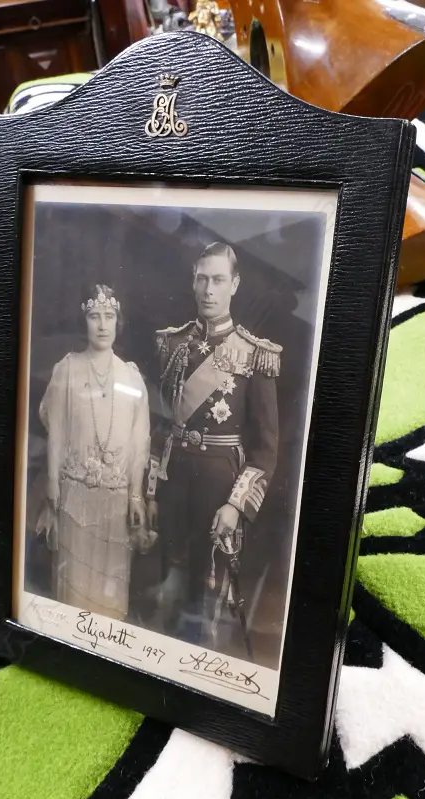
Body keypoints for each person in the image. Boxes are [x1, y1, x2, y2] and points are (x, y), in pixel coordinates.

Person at [146, 242, 282, 654]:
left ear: (234, 285)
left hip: (219, 491)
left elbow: (266, 449)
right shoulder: (172, 345)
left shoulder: (256, 356)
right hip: (173, 485)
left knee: (204, 596)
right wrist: (149, 491)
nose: (209, 290)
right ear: (193, 281)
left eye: (218, 280)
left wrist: (236, 505)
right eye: (202, 279)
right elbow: (161, 425)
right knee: (165, 581)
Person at [38, 285, 150, 621]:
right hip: (74, 498)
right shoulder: (67, 369)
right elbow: (56, 433)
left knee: (109, 596)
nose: (102, 325)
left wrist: (135, 496)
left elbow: (139, 442)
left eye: (109, 316)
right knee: (72, 592)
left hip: (116, 504)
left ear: (118, 321)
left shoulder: (131, 377)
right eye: (94, 316)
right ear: (83, 320)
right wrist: (53, 489)